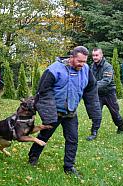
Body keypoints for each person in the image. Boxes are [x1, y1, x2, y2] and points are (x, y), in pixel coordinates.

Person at [28, 46, 101, 177]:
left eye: (84, 61)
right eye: (79, 61)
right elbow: (43, 91)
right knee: (44, 136)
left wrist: (95, 114)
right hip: (54, 112)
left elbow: (91, 91)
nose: (82, 64)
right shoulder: (54, 69)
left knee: (73, 139)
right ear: (71, 57)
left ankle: (69, 166)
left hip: (71, 112)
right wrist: (49, 115)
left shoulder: (85, 70)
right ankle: (33, 157)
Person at [86, 48, 123, 141]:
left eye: (96, 55)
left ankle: (120, 127)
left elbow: (106, 81)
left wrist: (92, 87)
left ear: (101, 55)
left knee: (115, 113)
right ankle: (94, 133)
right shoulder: (92, 66)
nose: (95, 57)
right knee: (96, 113)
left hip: (109, 93)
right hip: (98, 94)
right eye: (93, 55)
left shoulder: (108, 66)